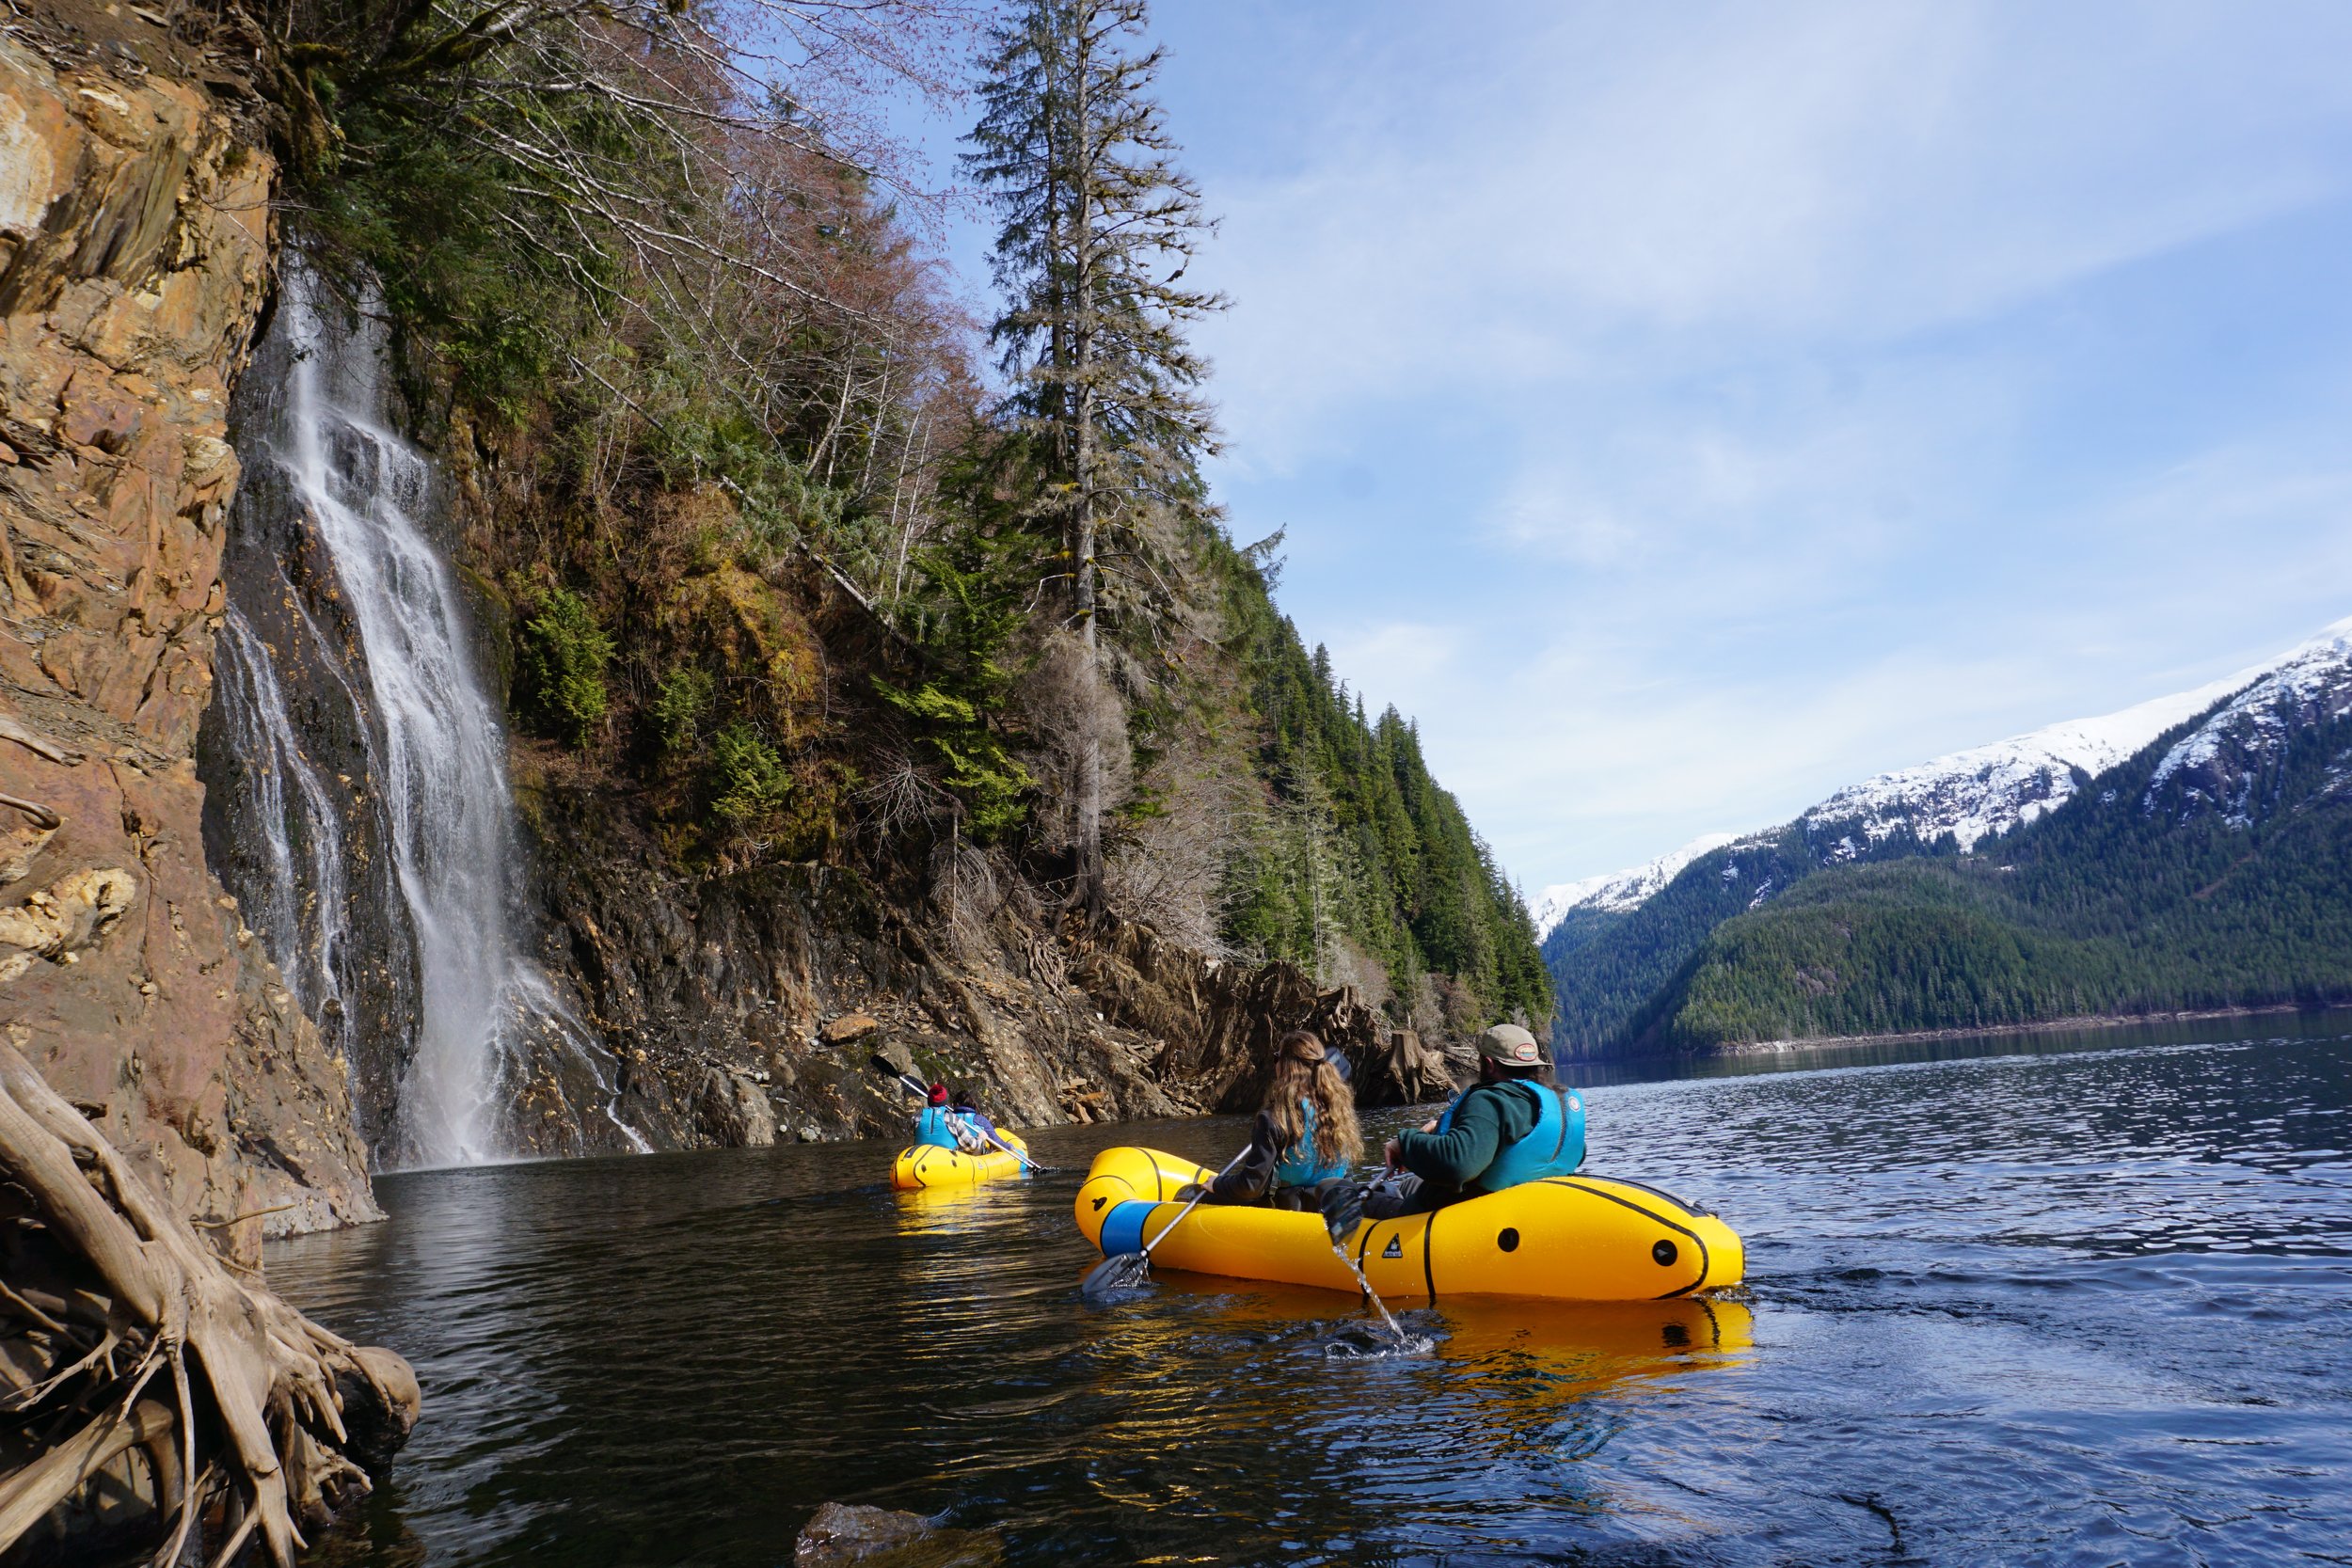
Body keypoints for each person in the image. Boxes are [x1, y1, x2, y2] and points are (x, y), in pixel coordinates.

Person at [1360, 1023, 1585, 1220]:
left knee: (1331, 1189)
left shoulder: (1491, 1099)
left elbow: (1458, 1165)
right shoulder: (1558, 1102)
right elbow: (1574, 1151)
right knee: (1408, 1185)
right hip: (1527, 1208)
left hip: (1466, 1217)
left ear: (1488, 1064)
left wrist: (1406, 1143)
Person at [1198, 1031, 1364, 1211]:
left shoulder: (1272, 1118)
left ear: (1286, 1066)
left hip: (1292, 1213)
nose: (1275, 1063)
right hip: (1333, 1209)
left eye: (1276, 1057)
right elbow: (1347, 1175)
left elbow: (1251, 1187)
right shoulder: (1338, 1112)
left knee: (1192, 1193)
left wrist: (1217, 1184)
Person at [910, 1084, 961, 1150]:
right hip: (947, 1158)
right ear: (945, 1101)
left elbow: (911, 1132)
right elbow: (971, 1145)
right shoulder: (953, 1118)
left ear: (929, 1100)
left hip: (921, 1156)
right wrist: (979, 1139)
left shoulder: (916, 1117)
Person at [949, 1089, 999, 1153]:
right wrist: (1010, 1147)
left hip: (952, 1152)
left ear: (955, 1104)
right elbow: (996, 1141)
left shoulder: (949, 1117)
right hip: (975, 1155)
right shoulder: (979, 1119)